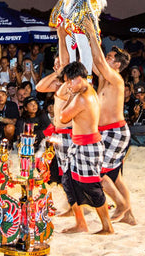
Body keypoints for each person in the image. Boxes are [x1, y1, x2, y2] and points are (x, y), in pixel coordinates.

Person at [81, 19, 134, 225]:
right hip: (107, 132)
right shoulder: (103, 76)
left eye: (110, 57)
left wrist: (92, 32)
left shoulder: (115, 78)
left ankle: (121, 205)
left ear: (117, 65)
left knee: (98, 174)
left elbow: (99, 61)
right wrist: (85, 36)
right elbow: (94, 58)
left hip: (115, 132)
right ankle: (129, 215)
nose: (106, 58)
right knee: (115, 176)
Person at [57, 60, 113, 235]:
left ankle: (107, 227)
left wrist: (69, 97)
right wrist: (70, 92)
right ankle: (81, 223)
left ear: (79, 78)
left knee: (91, 187)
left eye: (69, 81)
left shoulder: (81, 97)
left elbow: (63, 118)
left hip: (88, 146)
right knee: (68, 181)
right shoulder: (87, 90)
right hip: (80, 144)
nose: (68, 85)